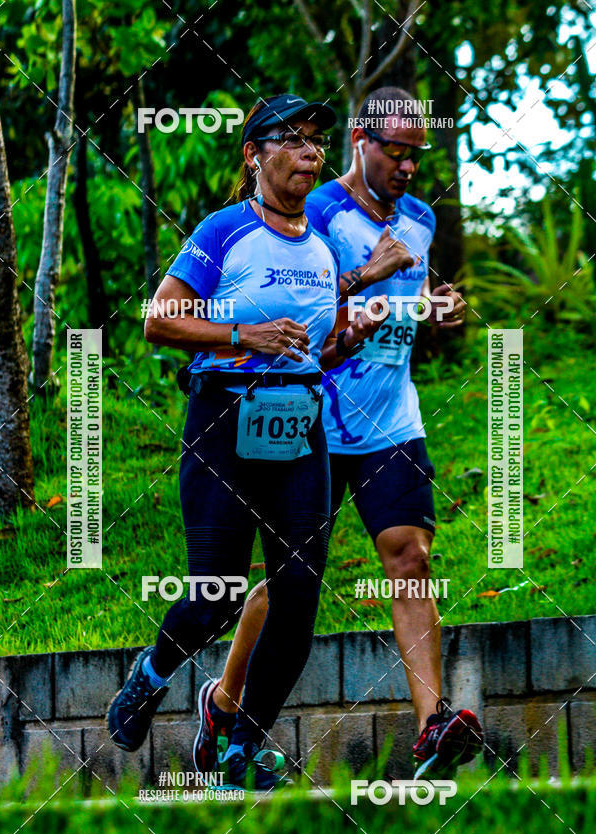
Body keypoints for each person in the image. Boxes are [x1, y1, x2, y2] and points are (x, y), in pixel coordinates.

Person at [194, 87, 484, 782]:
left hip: (392, 416)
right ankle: (226, 708)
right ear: (361, 140)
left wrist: (439, 311)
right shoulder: (315, 205)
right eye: (396, 150)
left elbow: (404, 307)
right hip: (312, 415)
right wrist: (369, 275)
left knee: (409, 554)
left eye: (417, 153)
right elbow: (307, 296)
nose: (409, 166)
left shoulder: (418, 217)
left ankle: (432, 728)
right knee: (287, 579)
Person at [107, 93, 386, 791]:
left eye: (316, 142)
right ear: (254, 155)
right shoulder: (224, 230)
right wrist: (242, 336)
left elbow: (311, 349)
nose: (308, 153)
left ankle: (240, 745)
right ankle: (151, 674)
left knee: (298, 597)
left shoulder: (322, 252)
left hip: (299, 428)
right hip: (223, 424)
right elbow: (159, 318)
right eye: (290, 140)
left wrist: (346, 338)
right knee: (217, 595)